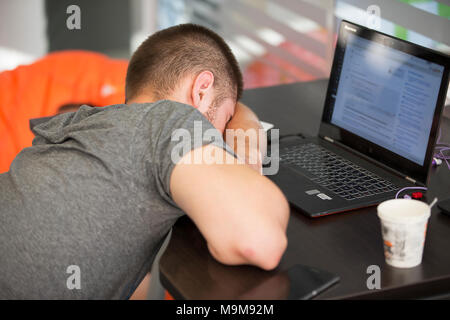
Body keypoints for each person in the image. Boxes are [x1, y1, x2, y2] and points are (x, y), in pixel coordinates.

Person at [0, 24, 289, 299]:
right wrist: (249, 159)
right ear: (200, 90)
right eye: (226, 121)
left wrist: (242, 121)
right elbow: (258, 243)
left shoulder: (83, 124)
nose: (222, 137)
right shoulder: (172, 120)